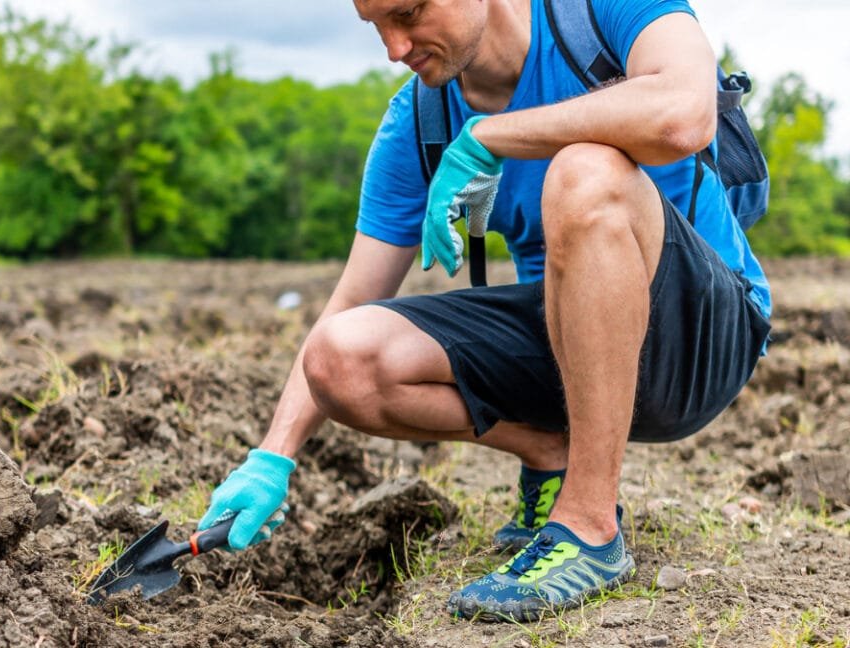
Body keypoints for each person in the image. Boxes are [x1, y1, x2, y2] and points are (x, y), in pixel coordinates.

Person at [198, 0, 772, 622]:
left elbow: (684, 115)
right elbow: (353, 298)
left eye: (409, 12)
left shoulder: (598, 13)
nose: (395, 48)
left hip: (701, 340)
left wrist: (492, 136)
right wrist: (271, 457)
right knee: (341, 357)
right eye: (376, 27)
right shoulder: (420, 118)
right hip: (571, 352)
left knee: (587, 168)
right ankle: (549, 453)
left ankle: (589, 528)